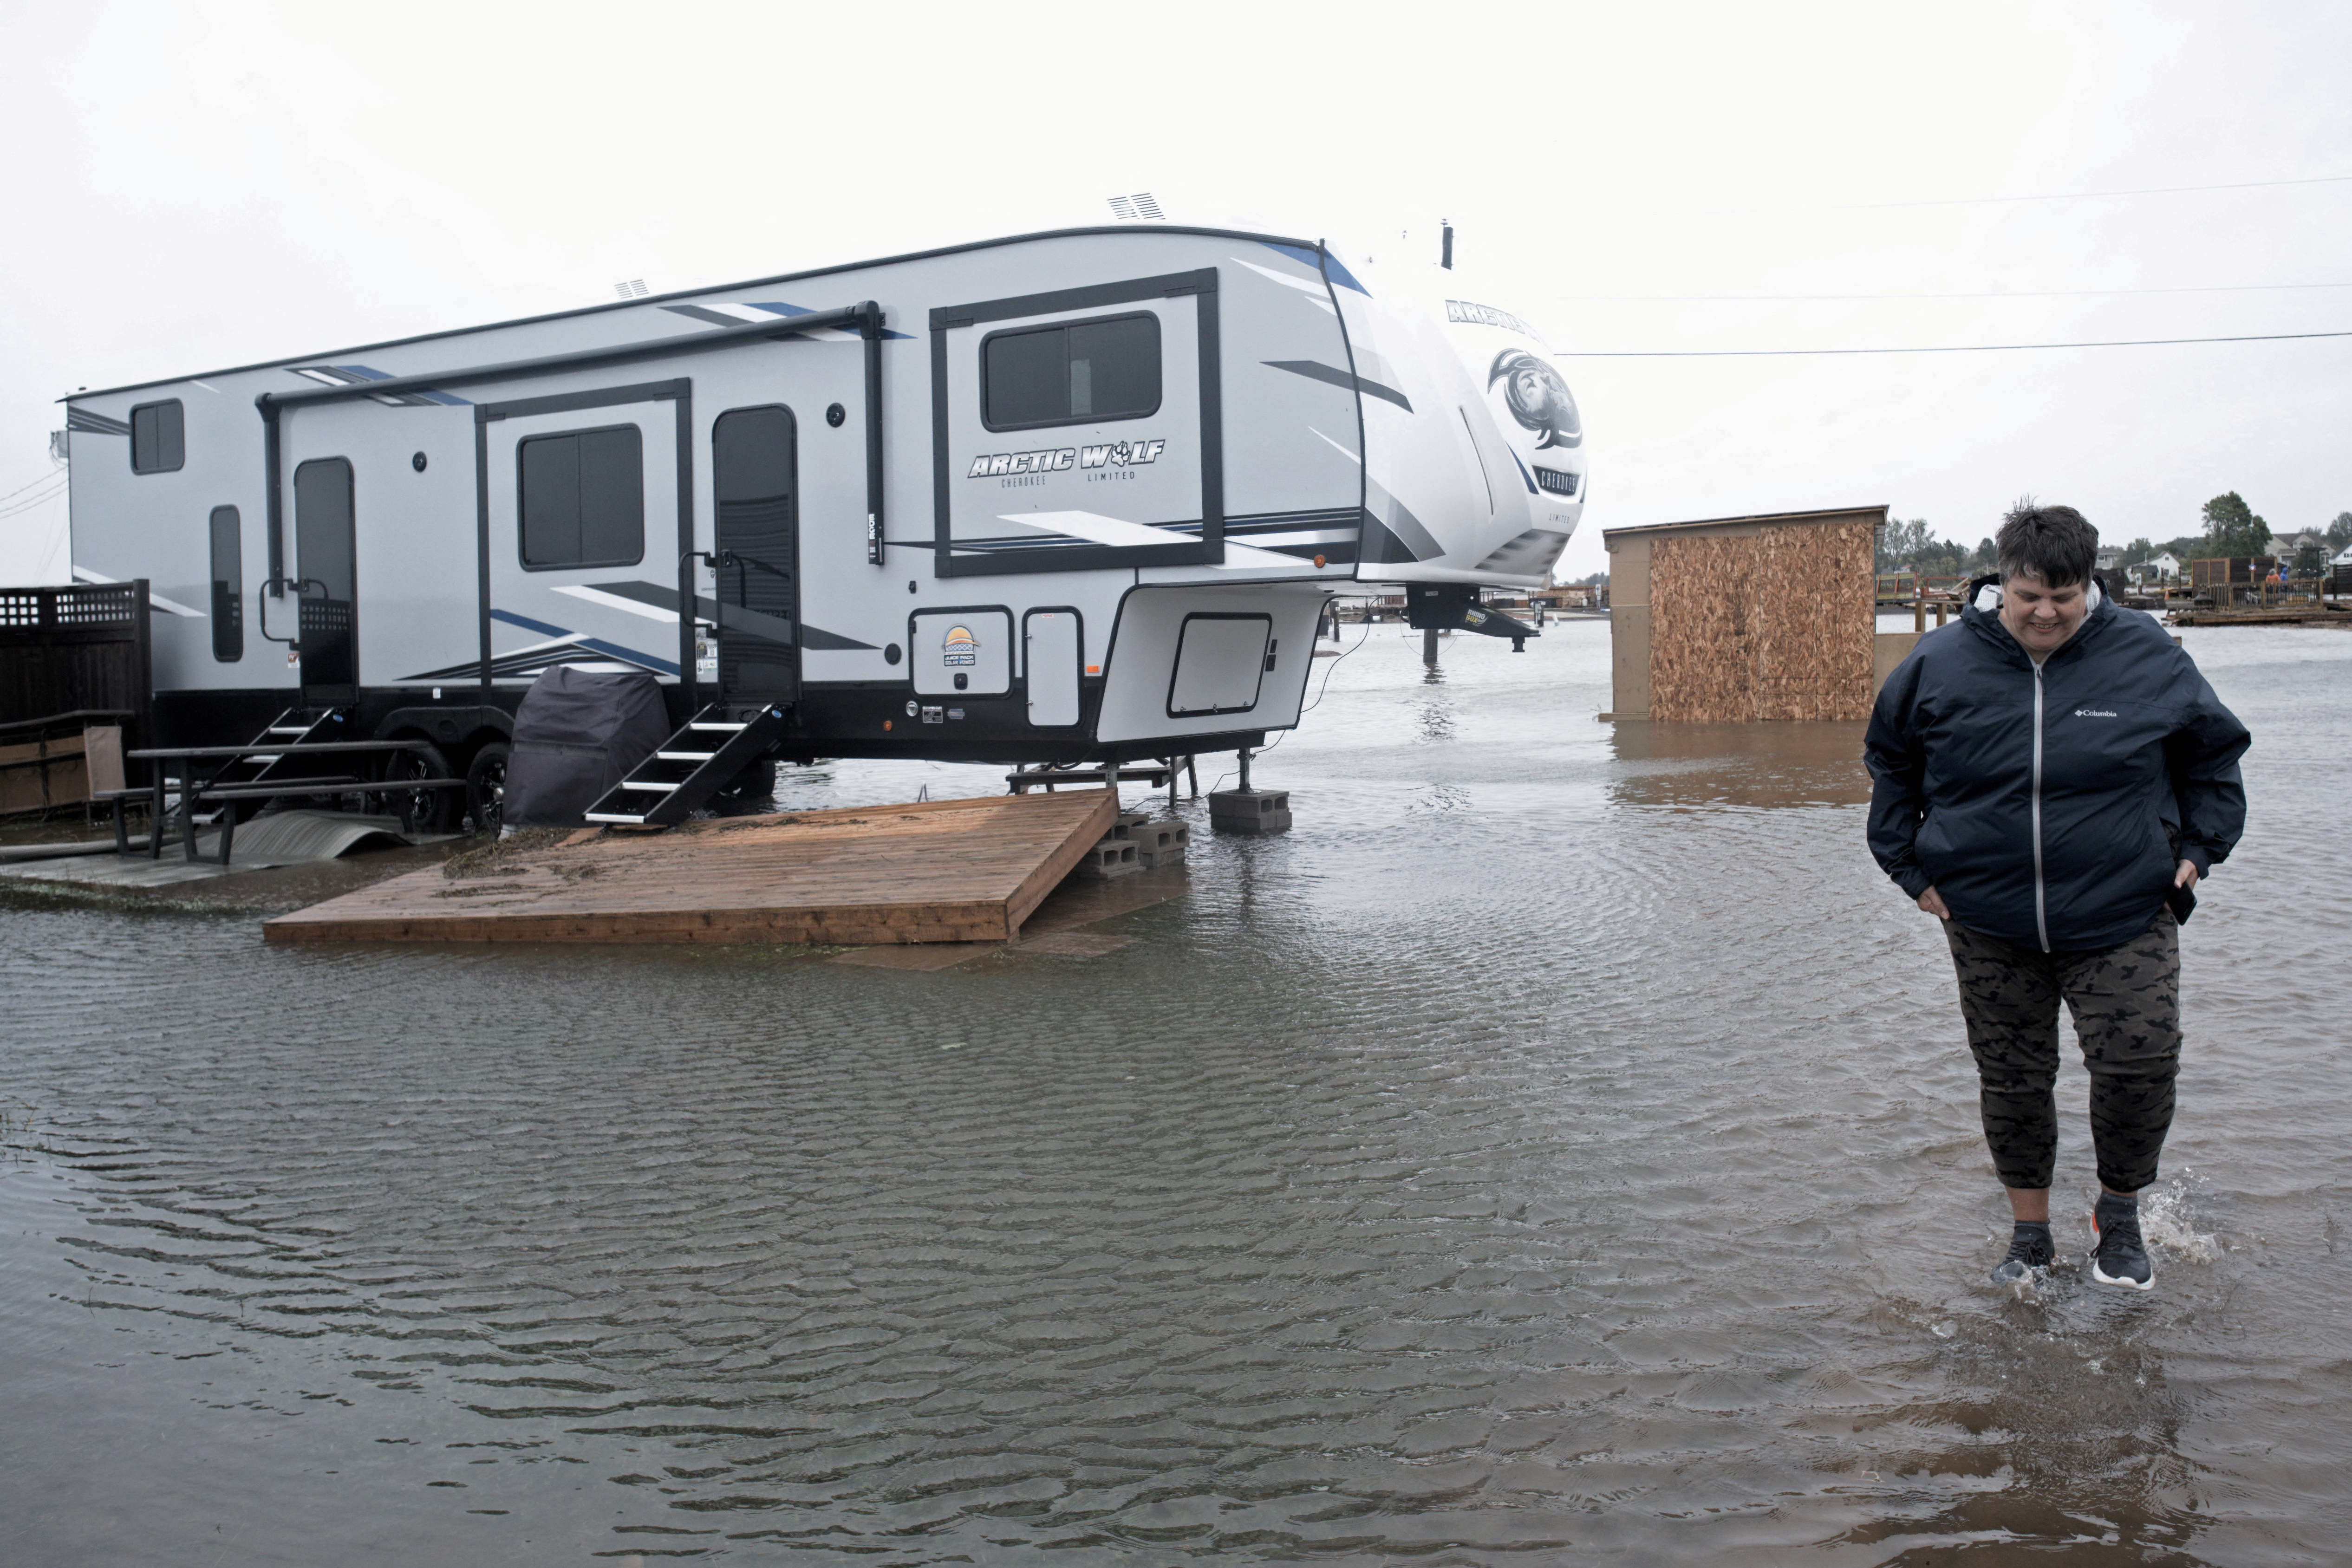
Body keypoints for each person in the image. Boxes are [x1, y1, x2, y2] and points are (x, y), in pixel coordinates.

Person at [1865, 502, 2249, 1291]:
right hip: (1987, 916)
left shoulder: (2146, 654)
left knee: (2139, 1064)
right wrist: (1908, 868)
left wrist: (2198, 850)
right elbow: (1890, 763)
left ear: (2090, 585)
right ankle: (2029, 1231)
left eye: (2063, 596)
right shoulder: (1939, 664)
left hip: (2123, 909)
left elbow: (2213, 753)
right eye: (2028, 594)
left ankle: (2117, 1213)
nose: (2044, 612)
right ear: (2001, 581)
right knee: (2011, 1077)